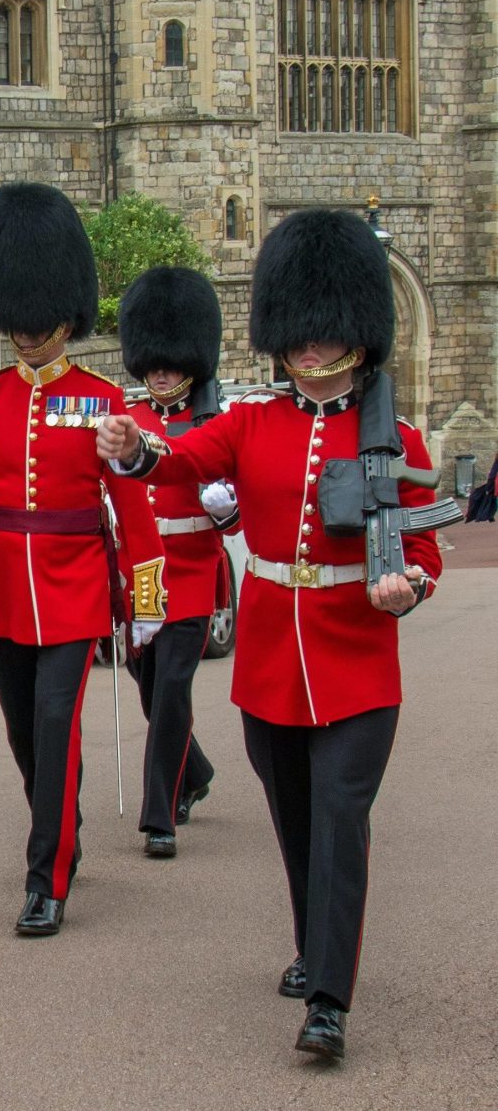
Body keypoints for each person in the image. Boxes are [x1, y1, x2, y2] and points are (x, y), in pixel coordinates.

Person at [96, 208, 442, 1064]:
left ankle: (329, 999)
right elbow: (175, 463)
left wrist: (408, 589)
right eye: (300, 338)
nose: (311, 352)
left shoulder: (393, 438)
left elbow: (426, 546)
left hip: (360, 665)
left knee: (339, 818)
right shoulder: (252, 424)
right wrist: (132, 447)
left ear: (357, 337)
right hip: (271, 663)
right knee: (295, 824)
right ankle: (311, 947)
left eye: (326, 338)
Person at [0, 182, 166, 938]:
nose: (24, 335)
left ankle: (46, 877)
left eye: (35, 323)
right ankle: (59, 817)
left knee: (55, 723)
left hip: (76, 584)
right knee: (25, 735)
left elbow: (133, 507)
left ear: (65, 317)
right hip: (5, 587)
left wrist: (145, 600)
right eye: (14, 322)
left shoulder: (103, 399)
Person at [116, 266, 242, 858]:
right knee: (149, 693)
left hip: (191, 573)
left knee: (171, 691)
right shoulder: (130, 420)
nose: (160, 372)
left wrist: (222, 509)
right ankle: (196, 772)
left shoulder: (215, 425)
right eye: (153, 363)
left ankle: (158, 815)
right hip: (141, 577)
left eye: (170, 363)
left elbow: (237, 521)